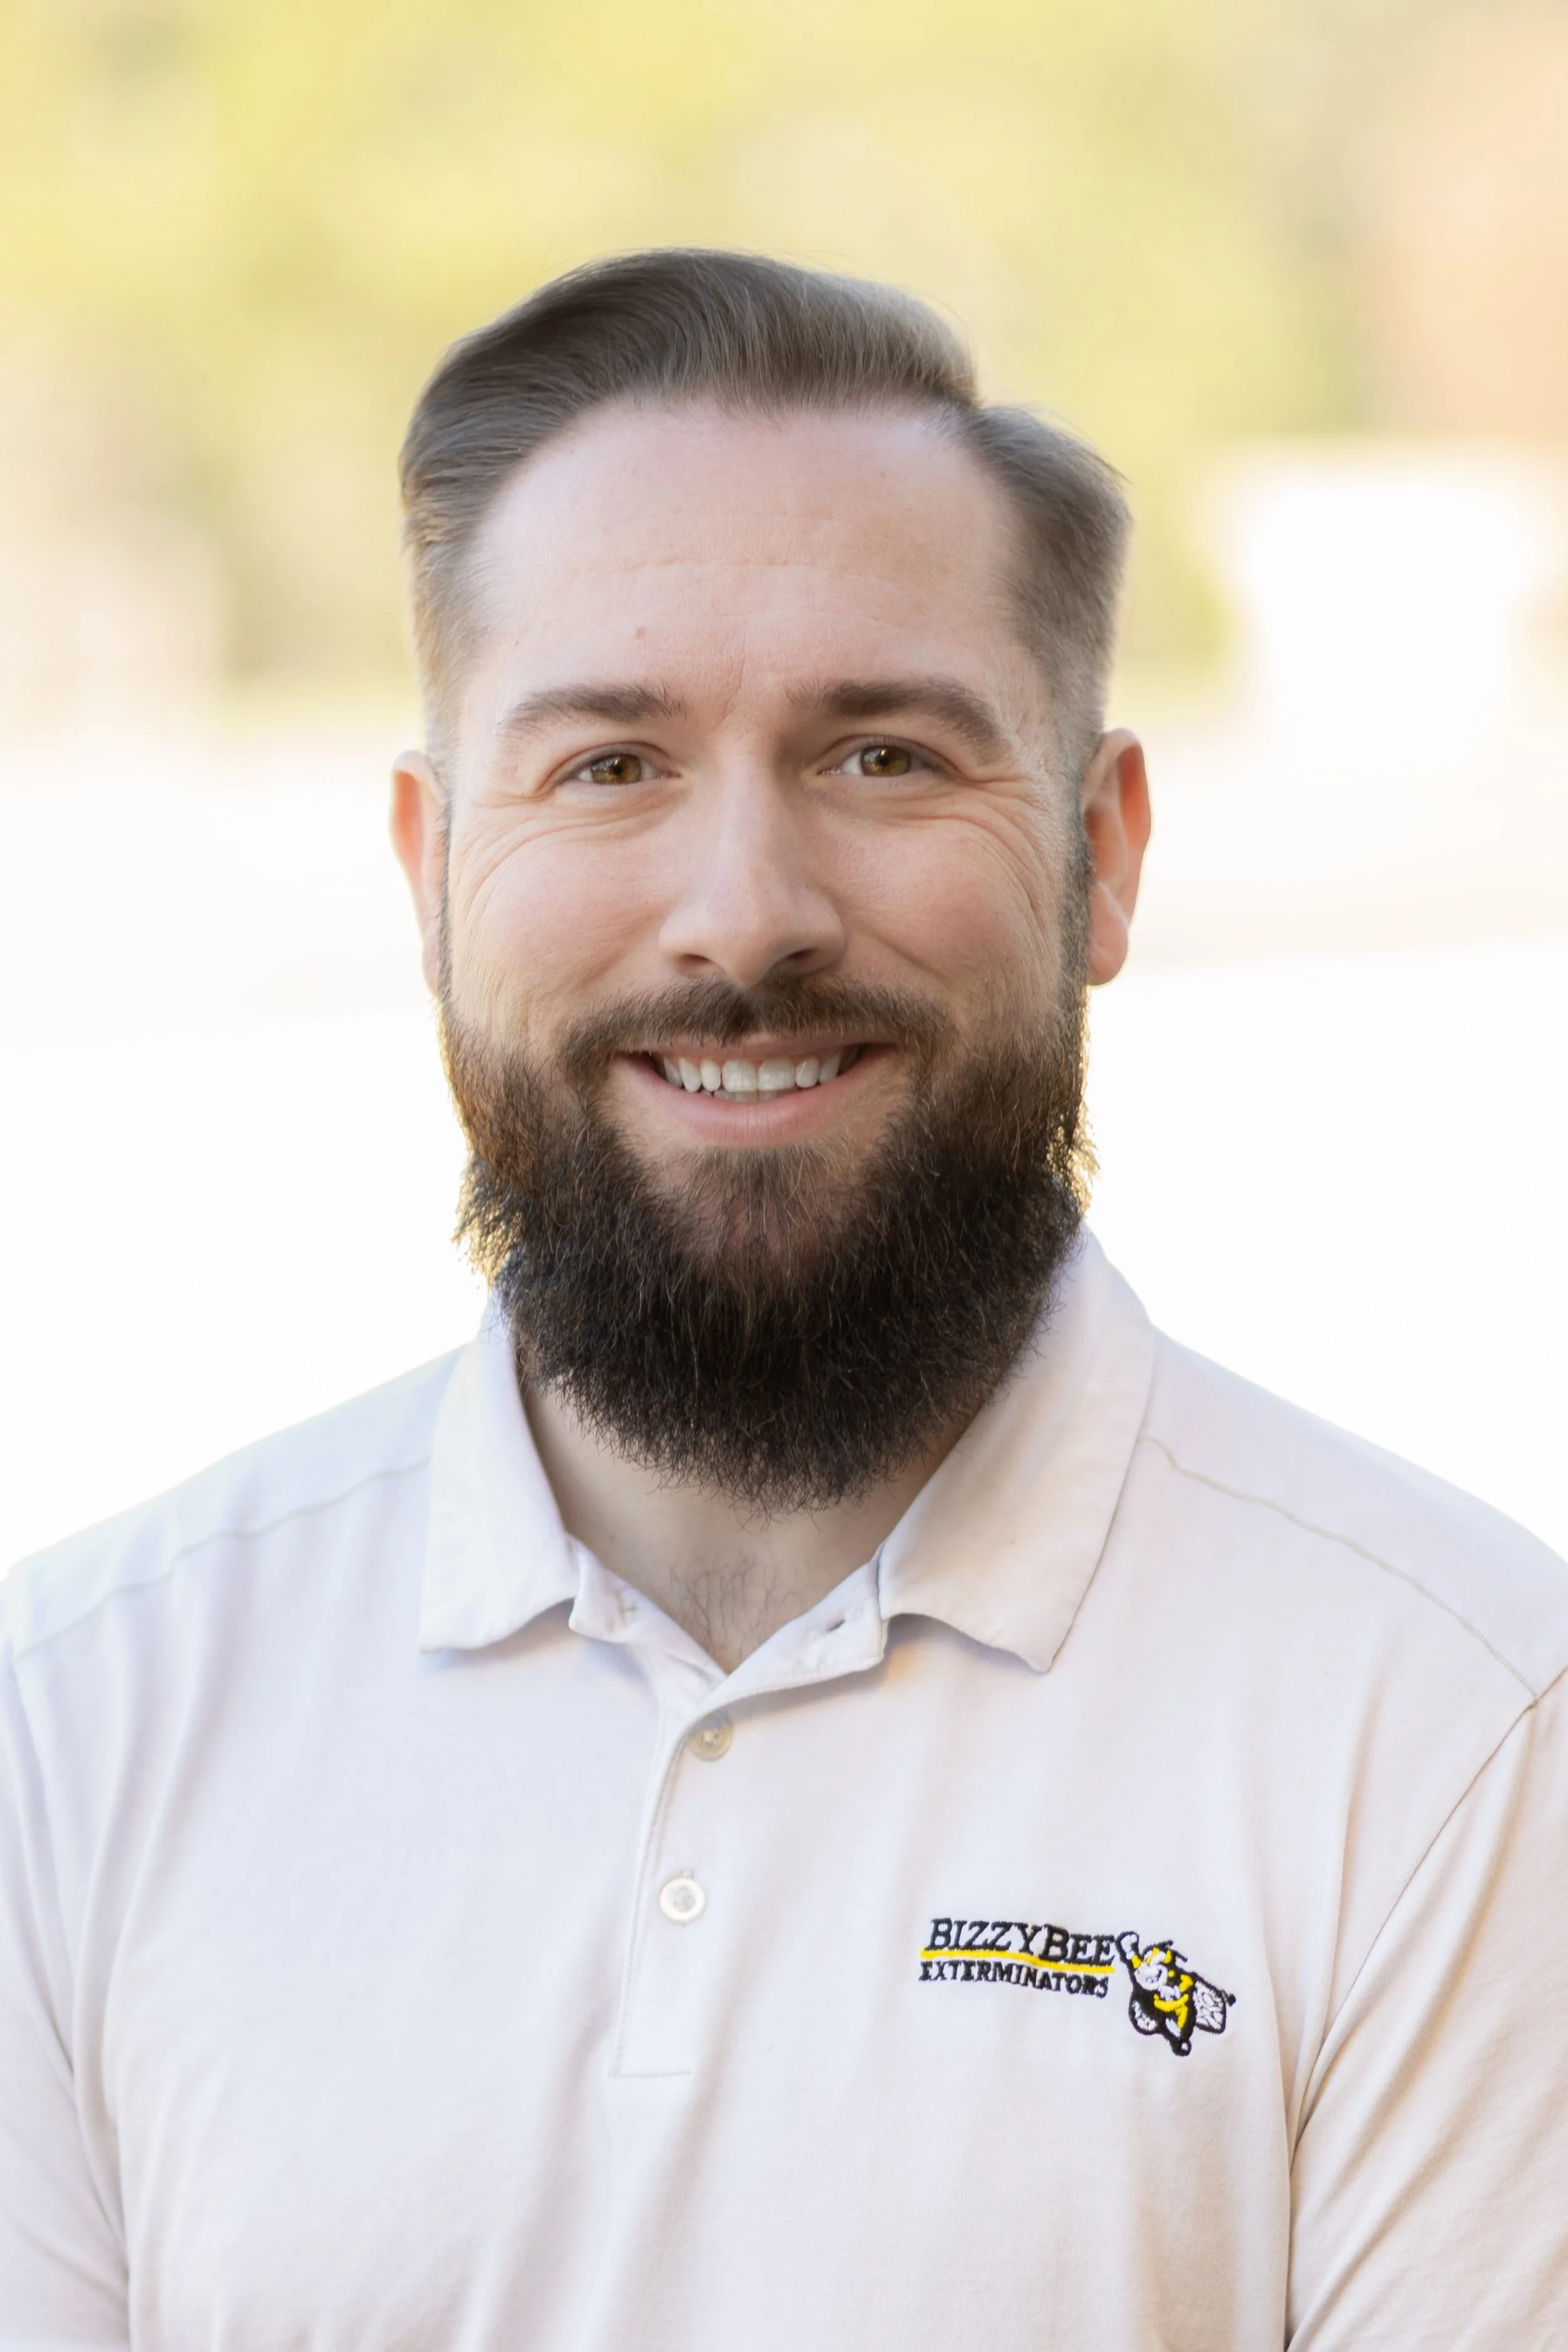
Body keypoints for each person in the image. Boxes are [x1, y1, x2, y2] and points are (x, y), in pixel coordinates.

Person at [2, 250, 1565, 2352]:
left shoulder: (1463, 1733)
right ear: (427, 868)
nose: (744, 911)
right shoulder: (78, 1721)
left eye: (885, 756)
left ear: (1101, 853)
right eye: (607, 766)